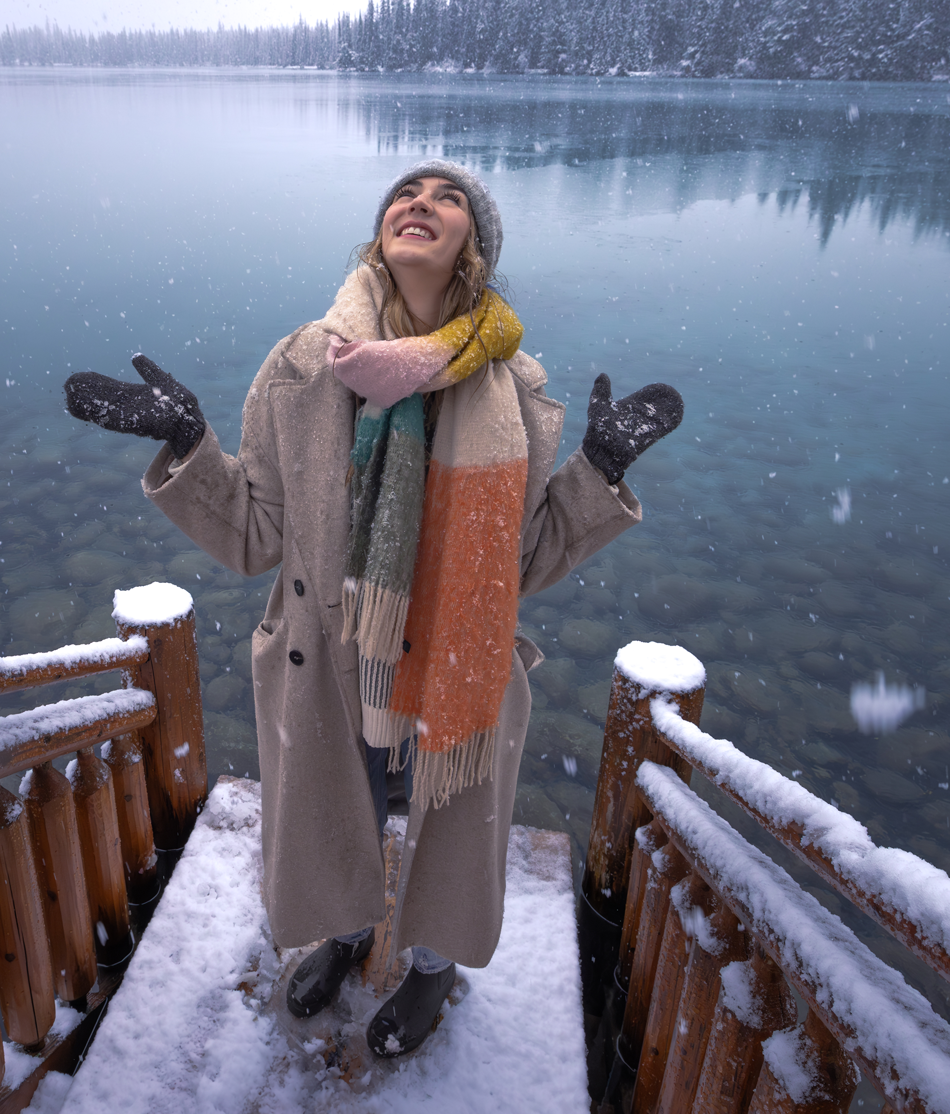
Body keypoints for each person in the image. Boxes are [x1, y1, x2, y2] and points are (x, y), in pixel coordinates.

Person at [64, 160, 681, 1058]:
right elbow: (251, 535)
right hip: (328, 654)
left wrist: (598, 476)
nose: (420, 203)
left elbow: (526, 560)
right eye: (406, 193)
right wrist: (189, 442)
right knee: (331, 816)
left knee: (451, 833)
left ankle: (430, 961)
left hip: (455, 659)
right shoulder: (304, 366)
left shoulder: (514, 389)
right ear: (381, 230)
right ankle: (346, 932)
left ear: (476, 243)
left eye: (449, 198)